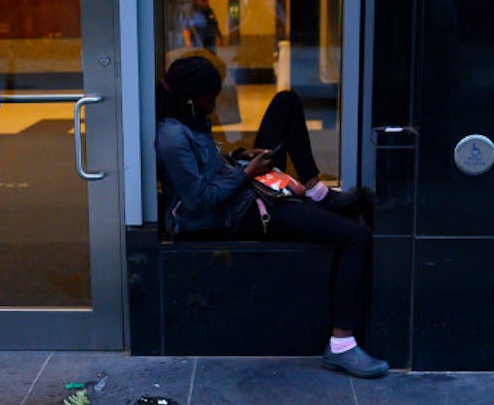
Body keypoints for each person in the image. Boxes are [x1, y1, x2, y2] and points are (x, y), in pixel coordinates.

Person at [154, 55, 388, 378]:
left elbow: (206, 165)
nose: (214, 105)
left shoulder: (187, 122)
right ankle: (342, 345)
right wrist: (248, 173)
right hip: (235, 214)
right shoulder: (172, 136)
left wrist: (239, 159)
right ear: (192, 99)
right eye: (211, 98)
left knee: (285, 102)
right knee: (354, 236)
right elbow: (198, 199)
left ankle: (317, 191)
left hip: (242, 191)